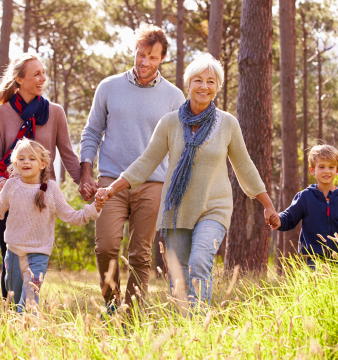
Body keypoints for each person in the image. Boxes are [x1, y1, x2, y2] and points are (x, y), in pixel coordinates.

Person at [96, 53, 279, 306]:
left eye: (211, 81)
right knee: (179, 276)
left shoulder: (227, 123)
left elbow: (245, 166)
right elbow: (146, 162)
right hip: (178, 209)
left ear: (217, 87)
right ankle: (185, 329)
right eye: (198, 80)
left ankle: (198, 325)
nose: (204, 86)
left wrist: (267, 204)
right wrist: (113, 187)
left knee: (199, 261)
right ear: (188, 84)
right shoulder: (170, 123)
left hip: (214, 207)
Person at [79, 24, 186, 310]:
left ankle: (133, 313)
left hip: (152, 183)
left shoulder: (174, 97)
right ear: (134, 52)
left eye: (152, 57)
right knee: (106, 246)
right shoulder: (109, 87)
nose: (144, 62)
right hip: (110, 181)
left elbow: (179, 146)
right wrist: (86, 172)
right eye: (140, 55)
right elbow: (91, 132)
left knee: (140, 254)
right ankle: (111, 304)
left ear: (162, 58)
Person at [0, 53, 82, 302]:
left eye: (44, 73)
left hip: (42, 196)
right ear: (19, 79)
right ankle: (10, 313)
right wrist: (1, 183)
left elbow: (68, 154)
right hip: (10, 195)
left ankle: (29, 310)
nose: (43, 78)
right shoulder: (1, 113)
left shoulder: (55, 113)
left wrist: (84, 182)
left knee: (36, 259)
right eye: (36, 74)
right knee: (10, 259)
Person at [0, 139, 102, 311]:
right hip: (14, 254)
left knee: (29, 302)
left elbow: (72, 216)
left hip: (38, 255)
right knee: (15, 302)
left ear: (43, 164)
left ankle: (30, 332)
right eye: (22, 158)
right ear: (16, 163)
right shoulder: (11, 186)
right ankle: (18, 334)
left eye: (32, 158)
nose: (26, 162)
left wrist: (94, 208)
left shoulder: (51, 190)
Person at [273, 144, 338, 265]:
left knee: (335, 284)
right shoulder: (305, 197)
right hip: (310, 258)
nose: (326, 171)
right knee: (313, 284)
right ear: (312, 170)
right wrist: (278, 220)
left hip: (337, 258)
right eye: (321, 167)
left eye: (331, 167)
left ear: (337, 170)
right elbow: (289, 217)